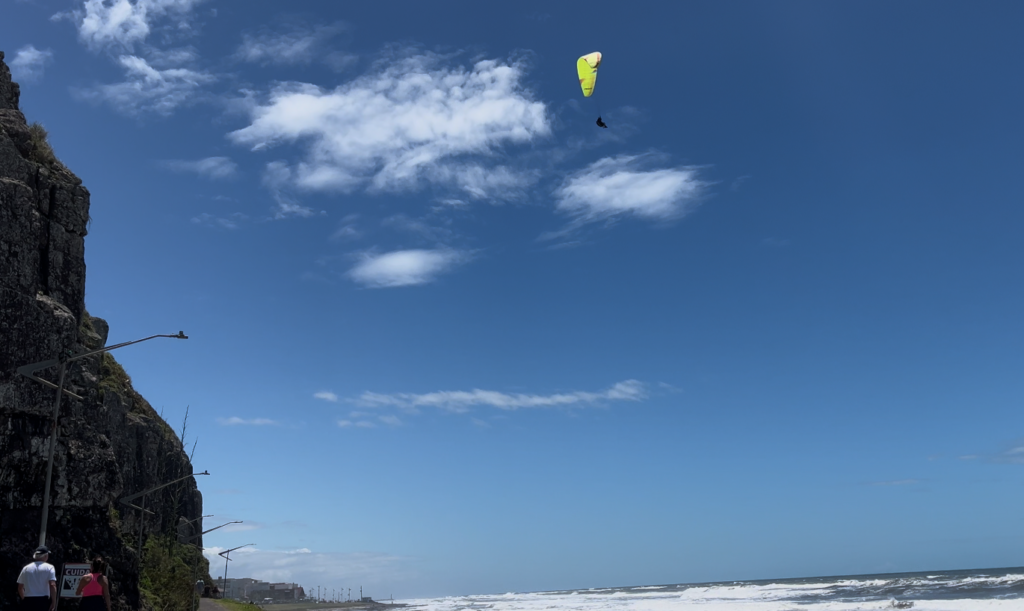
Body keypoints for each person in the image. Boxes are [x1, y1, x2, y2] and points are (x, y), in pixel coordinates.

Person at [17, 546, 56, 611]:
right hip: (42, 601)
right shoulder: (50, 567)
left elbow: (20, 587)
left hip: (28, 600)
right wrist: (54, 602)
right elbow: (52, 585)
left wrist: (24, 599)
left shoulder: (26, 568)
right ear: (45, 556)